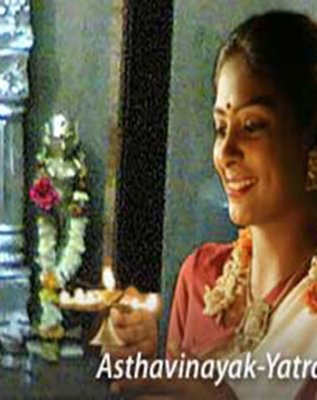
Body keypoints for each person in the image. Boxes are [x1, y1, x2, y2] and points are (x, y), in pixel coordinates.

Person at [97, 10, 317, 400]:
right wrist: (143, 373)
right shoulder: (201, 279)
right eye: (220, 128)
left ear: (309, 141)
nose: (226, 151)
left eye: (252, 126)